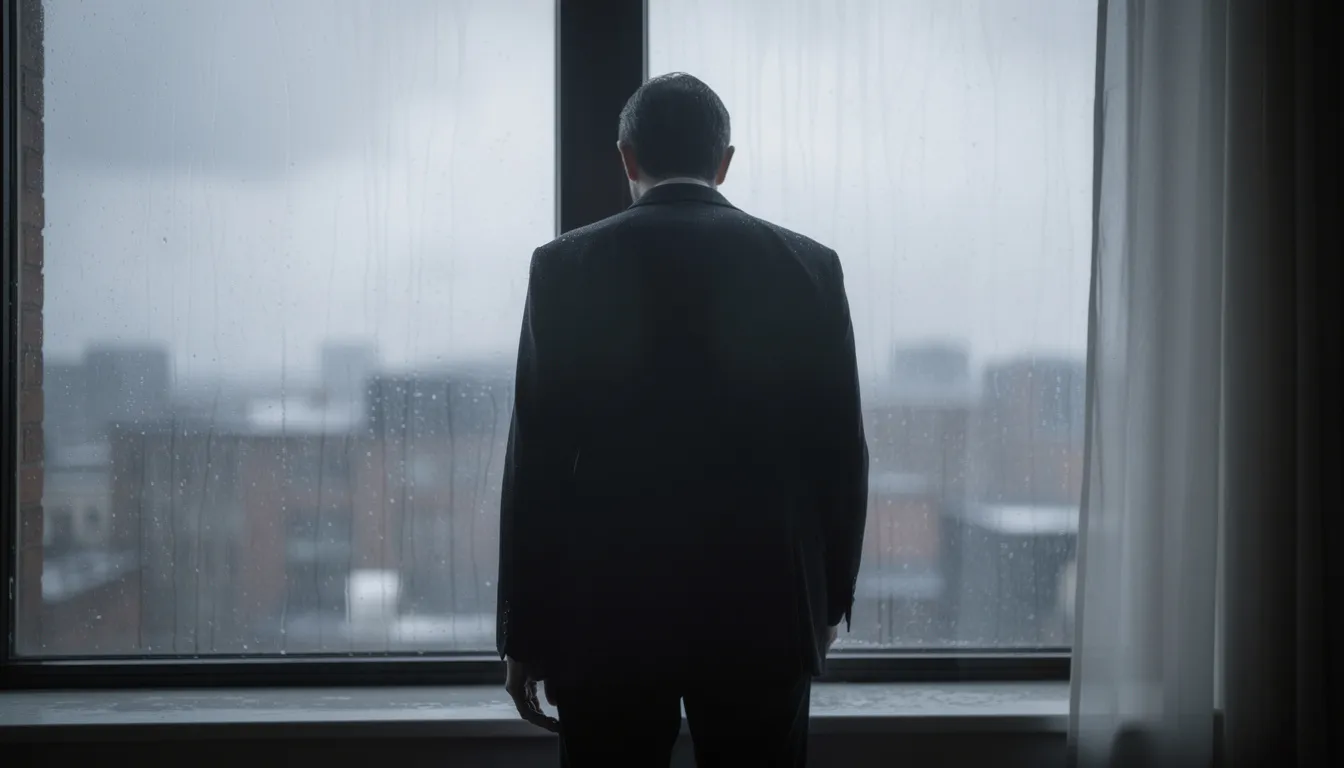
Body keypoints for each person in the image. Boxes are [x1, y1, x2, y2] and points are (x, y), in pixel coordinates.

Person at [497, 72, 869, 767]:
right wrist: (827, 601)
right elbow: (841, 452)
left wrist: (524, 633)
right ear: (725, 162)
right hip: (763, 603)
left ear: (626, 159)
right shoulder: (810, 268)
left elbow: (537, 466)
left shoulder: (564, 267)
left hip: (606, 608)